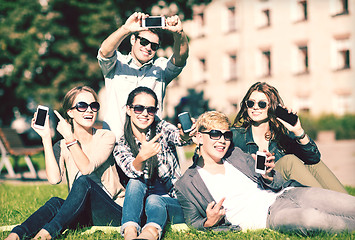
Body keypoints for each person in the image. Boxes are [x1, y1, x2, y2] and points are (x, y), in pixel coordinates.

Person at [175, 111, 355, 235]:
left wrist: (268, 174)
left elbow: (276, 182)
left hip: (288, 193)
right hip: (269, 215)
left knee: (349, 204)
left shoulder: (234, 155)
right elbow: (193, 221)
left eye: (226, 135)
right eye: (215, 134)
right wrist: (209, 222)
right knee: (313, 219)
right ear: (199, 137)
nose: (222, 140)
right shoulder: (187, 184)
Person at [5, 86, 125, 240]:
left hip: (112, 211)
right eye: (82, 106)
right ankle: (16, 234)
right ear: (70, 112)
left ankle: (47, 233)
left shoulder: (106, 137)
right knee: (56, 202)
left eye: (93, 106)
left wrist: (70, 137)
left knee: (84, 181)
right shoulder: (62, 145)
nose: (89, 110)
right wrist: (46, 138)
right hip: (82, 211)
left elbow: (87, 168)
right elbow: (54, 179)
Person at [231, 82, 347, 193]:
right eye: (251, 103)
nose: (255, 107)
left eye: (262, 104)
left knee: (313, 165)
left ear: (272, 107)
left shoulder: (282, 135)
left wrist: (298, 131)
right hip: (261, 188)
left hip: (282, 185)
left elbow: (313, 159)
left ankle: (349, 206)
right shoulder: (235, 135)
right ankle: (328, 204)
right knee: (289, 161)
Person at [114, 86, 192, 240]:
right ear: (129, 110)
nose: (145, 113)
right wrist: (142, 157)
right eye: (138, 108)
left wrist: (184, 134)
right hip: (141, 206)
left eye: (150, 110)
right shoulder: (121, 145)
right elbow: (131, 171)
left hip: (171, 201)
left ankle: (149, 235)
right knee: (135, 182)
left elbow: (177, 137)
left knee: (154, 199)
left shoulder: (161, 128)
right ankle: (130, 233)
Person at [97, 12, 189, 139]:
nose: (148, 47)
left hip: (150, 144)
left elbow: (180, 59)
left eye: (154, 45)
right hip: (115, 143)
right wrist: (125, 29)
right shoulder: (117, 64)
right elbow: (104, 52)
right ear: (133, 39)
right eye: (144, 42)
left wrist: (179, 34)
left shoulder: (160, 68)